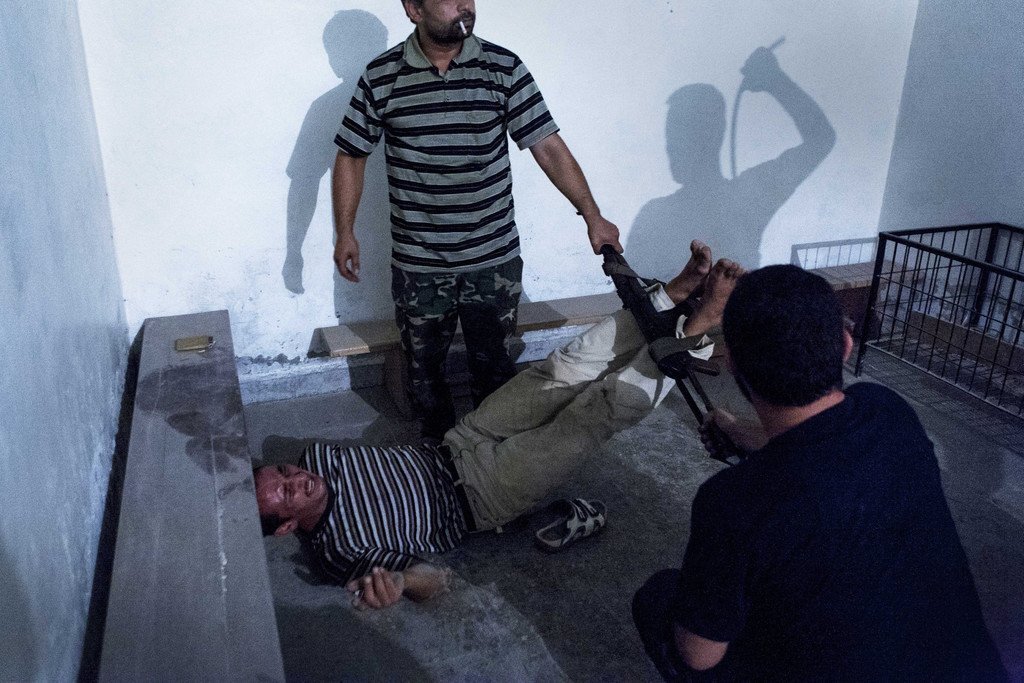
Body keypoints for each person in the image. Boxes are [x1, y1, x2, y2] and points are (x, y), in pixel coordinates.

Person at [256, 243, 743, 610]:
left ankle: (667, 299)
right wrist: (401, 583)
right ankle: (694, 332)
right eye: (286, 494)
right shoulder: (341, 550)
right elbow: (435, 581)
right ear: (287, 528)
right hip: (482, 495)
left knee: (562, 368)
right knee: (591, 414)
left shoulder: (315, 458)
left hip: (459, 440)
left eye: (282, 472)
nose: (295, 478)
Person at [632, 265, 1007, 681]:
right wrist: (737, 430)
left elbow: (699, 656)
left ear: (732, 364)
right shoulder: (887, 411)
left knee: (659, 598)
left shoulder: (732, 502)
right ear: (845, 345)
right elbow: (816, 443)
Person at [331, 0, 621, 440]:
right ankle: (439, 459)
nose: (465, 5)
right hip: (420, 266)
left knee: (495, 372)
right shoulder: (381, 76)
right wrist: (345, 232)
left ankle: (491, 457)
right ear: (414, 9)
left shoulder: (503, 67)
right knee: (425, 377)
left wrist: (592, 215)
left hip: (493, 260)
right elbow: (352, 155)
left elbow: (548, 147)